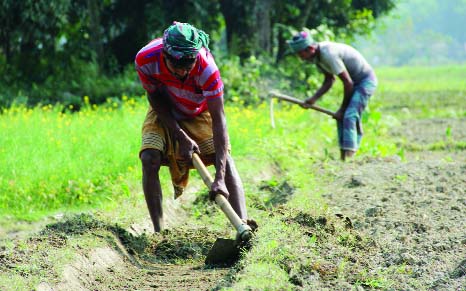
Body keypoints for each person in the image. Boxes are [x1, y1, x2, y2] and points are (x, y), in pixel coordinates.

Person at [135, 22, 248, 232]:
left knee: (225, 160)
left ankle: (243, 227)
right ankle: (159, 231)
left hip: (198, 112)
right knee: (149, 157)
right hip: (165, 111)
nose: (183, 71)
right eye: (177, 65)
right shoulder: (146, 59)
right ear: (165, 55)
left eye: (189, 64)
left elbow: (219, 120)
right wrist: (179, 134)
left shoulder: (207, 69)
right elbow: (154, 97)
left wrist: (219, 179)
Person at [287, 31, 378, 161]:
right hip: (353, 82)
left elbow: (348, 83)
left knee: (349, 115)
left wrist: (342, 109)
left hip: (365, 81)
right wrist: (313, 99)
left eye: (301, 54)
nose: (300, 57)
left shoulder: (328, 54)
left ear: (310, 49)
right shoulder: (317, 58)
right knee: (341, 118)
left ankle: (350, 158)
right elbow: (330, 80)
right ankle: (343, 159)